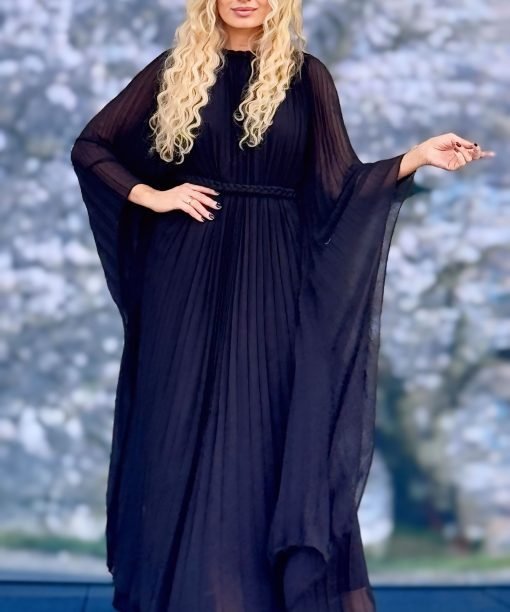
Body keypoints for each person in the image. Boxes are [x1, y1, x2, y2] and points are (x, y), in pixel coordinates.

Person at [70, 1, 495, 610]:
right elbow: (92, 146)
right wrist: (151, 195)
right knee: (175, 433)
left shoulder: (307, 76)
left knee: (265, 434)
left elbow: (339, 186)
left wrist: (417, 157)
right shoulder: (173, 68)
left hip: (275, 277)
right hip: (182, 278)